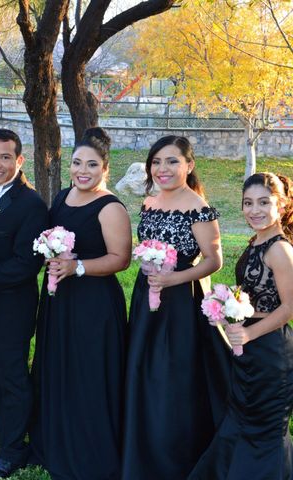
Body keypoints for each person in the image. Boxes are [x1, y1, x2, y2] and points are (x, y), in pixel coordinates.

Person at [122, 135, 230, 479]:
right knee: (142, 368)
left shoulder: (199, 207)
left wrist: (175, 280)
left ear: (190, 165)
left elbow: (214, 260)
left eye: (172, 161)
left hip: (181, 299)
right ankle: (142, 446)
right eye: (157, 162)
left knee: (174, 374)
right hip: (147, 294)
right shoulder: (150, 202)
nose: (163, 169)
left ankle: (176, 452)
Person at [30, 128, 131, 479]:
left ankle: (89, 448)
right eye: (76, 163)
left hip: (93, 303)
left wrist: (79, 267)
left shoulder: (110, 206)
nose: (82, 171)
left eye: (91, 164)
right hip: (59, 299)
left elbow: (121, 259)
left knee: (88, 372)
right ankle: (54, 439)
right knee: (58, 365)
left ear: (105, 168)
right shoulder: (61, 197)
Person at [189, 172, 293, 480]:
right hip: (248, 348)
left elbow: (288, 307)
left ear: (283, 205)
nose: (254, 210)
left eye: (264, 202)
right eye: (248, 203)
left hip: (271, 350)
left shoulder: (280, 250)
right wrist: (226, 308)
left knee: (263, 429)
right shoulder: (257, 240)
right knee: (240, 420)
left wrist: (248, 332)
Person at [0, 128, 48, 479]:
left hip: (10, 307)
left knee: (12, 376)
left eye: (4, 157)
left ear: (19, 160)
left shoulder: (30, 203)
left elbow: (25, 264)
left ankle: (15, 449)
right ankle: (1, 433)